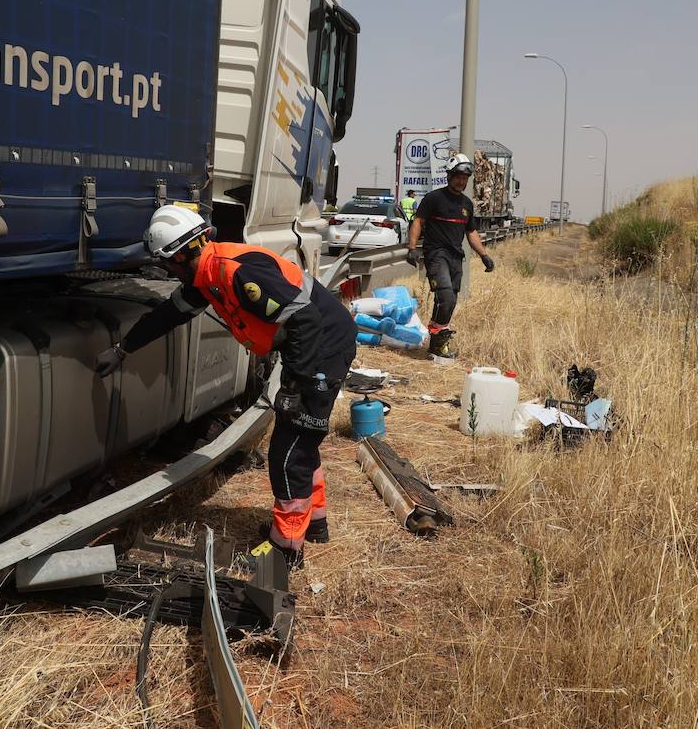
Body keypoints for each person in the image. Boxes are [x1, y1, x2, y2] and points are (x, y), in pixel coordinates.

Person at [95, 205, 357, 569]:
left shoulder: (236, 273)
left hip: (324, 345)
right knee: (300, 438)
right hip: (313, 345)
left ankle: (285, 550)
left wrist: (295, 384)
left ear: (185, 253)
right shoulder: (207, 276)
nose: (166, 270)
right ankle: (314, 524)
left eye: (168, 263)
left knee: (288, 450)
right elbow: (168, 315)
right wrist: (123, 350)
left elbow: (307, 319)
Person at [405, 153, 495, 359]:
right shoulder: (434, 198)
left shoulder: (466, 204)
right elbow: (418, 222)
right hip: (436, 254)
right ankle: (437, 340)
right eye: (458, 177)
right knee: (445, 295)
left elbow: (471, 232)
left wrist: (484, 255)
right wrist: (412, 248)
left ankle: (436, 343)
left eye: (465, 178)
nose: (461, 181)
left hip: (456, 257)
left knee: (450, 300)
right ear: (449, 176)